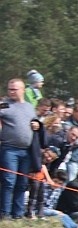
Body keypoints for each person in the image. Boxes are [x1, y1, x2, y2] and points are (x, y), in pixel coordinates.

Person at [0, 79, 37, 219]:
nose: (11, 92)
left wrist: (36, 125)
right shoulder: (4, 104)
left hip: (26, 151)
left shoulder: (29, 107)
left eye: (14, 89)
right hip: (10, 149)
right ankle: (5, 213)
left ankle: (18, 214)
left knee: (22, 184)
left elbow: (35, 121)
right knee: (9, 181)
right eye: (9, 89)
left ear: (22, 90)